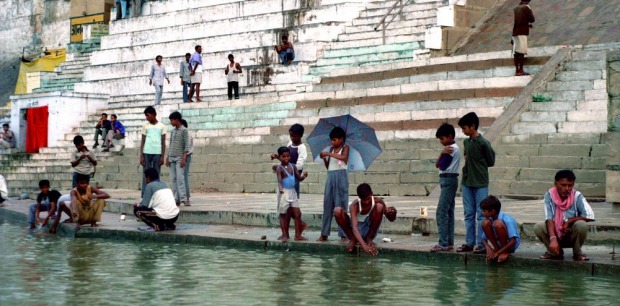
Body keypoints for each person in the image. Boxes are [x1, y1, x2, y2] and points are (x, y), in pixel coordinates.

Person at [534, 170, 595, 261]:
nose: (567, 188)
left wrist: (569, 221)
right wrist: (553, 238)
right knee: (538, 227)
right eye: (563, 185)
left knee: (581, 224)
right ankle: (555, 253)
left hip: (571, 235)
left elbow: (589, 215)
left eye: (570, 185)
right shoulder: (549, 195)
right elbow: (549, 218)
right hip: (556, 235)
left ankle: (577, 253)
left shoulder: (577, 196)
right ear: (556, 184)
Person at [456, 112, 495, 254]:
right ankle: (469, 242)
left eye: (465, 128)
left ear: (473, 127)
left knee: (481, 214)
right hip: (467, 181)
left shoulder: (484, 143)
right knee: (468, 214)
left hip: (480, 182)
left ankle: (481, 243)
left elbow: (491, 161)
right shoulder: (466, 142)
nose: (463, 131)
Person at [334, 183, 397, 255]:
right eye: (364, 200)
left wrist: (393, 213)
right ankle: (353, 239)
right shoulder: (354, 205)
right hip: (355, 232)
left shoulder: (378, 201)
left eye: (368, 198)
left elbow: (391, 219)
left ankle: (369, 239)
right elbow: (355, 228)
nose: (366, 202)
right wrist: (364, 246)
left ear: (372, 193)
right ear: (359, 198)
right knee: (337, 211)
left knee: (379, 207)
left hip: (369, 230)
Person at [431, 123, 461, 252]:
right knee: (448, 212)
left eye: (442, 139)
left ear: (449, 136)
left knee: (442, 212)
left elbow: (440, 165)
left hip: (448, 179)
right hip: (449, 180)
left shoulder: (451, 149)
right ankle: (449, 242)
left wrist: (441, 154)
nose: (441, 142)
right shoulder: (452, 148)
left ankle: (443, 242)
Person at [317, 126, 349, 242]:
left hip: (341, 175)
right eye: (331, 140)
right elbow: (328, 166)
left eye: (334, 140)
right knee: (327, 204)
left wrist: (329, 154)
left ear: (341, 139)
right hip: (330, 175)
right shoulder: (331, 150)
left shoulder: (345, 148)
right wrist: (325, 158)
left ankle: (344, 234)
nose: (332, 142)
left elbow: (343, 157)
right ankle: (324, 233)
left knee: (341, 204)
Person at [275, 146, 308, 242]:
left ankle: (298, 235)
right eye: (283, 157)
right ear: (280, 157)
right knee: (283, 214)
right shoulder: (279, 168)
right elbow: (279, 180)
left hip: (292, 192)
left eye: (288, 156)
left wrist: (304, 176)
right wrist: (281, 189)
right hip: (284, 192)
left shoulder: (293, 166)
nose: (286, 158)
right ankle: (285, 235)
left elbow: (299, 178)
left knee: (298, 214)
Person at [480, 196, 520, 263]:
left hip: (510, 245)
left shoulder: (507, 220)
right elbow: (483, 238)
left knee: (497, 224)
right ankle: (497, 248)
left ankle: (505, 251)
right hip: (499, 244)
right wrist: (487, 247)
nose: (482, 213)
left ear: (492, 211)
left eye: (484, 211)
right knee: (485, 223)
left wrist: (498, 253)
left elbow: (513, 241)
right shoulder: (490, 219)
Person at [140, 106, 166, 198]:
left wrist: (162, 156)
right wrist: (141, 156)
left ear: (154, 114)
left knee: (156, 174)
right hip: (146, 152)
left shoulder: (162, 126)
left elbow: (163, 142)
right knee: (146, 174)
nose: (147, 117)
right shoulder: (145, 126)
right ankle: (144, 194)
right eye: (146, 116)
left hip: (157, 152)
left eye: (148, 115)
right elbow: (142, 141)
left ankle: (156, 194)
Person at [165, 111, 189, 206]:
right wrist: (167, 157)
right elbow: (170, 145)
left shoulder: (184, 130)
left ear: (177, 120)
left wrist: (184, 158)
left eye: (172, 120)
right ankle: (176, 198)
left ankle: (184, 198)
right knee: (173, 179)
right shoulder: (173, 131)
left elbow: (186, 146)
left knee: (180, 179)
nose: (171, 122)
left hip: (179, 158)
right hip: (172, 158)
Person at [512, 0, 535, 76]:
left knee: (516, 52)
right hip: (522, 32)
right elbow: (532, 19)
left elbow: (518, 21)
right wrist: (529, 23)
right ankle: (520, 70)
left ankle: (517, 70)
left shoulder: (516, 8)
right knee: (521, 51)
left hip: (515, 32)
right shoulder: (526, 7)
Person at [180, 119, 193, 204]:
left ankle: (186, 197)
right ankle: (182, 197)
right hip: (182, 156)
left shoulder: (186, 133)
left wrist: (183, 158)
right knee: (181, 178)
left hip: (185, 156)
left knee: (184, 177)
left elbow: (186, 148)